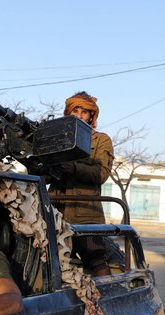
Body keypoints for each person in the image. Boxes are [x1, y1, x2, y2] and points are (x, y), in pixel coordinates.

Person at [49, 91, 115, 275]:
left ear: (91, 116)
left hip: (86, 216)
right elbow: (41, 175)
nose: (79, 115)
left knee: (97, 262)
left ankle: (108, 301)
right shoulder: (56, 139)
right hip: (54, 213)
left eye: (84, 112)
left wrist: (74, 168)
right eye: (75, 110)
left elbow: (101, 173)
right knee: (48, 265)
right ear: (68, 112)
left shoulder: (101, 140)